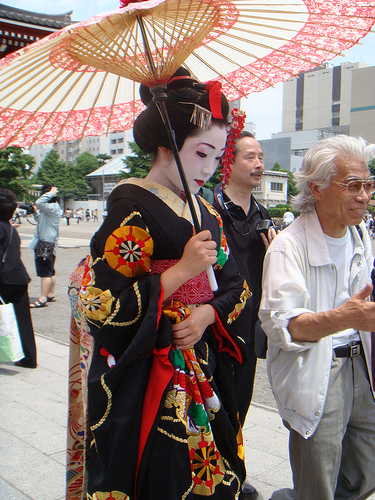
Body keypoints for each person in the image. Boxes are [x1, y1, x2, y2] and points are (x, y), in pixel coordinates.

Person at [66, 68, 251, 500]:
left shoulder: (207, 212)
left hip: (200, 354)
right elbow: (101, 304)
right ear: (166, 146)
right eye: (201, 153)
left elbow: (235, 285)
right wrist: (180, 273)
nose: (208, 168)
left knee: (213, 464)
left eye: (217, 156)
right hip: (151, 368)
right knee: (161, 473)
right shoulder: (130, 204)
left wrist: (207, 313)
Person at [259, 135, 375, 500]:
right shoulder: (288, 247)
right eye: (353, 185)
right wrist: (345, 317)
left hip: (364, 369)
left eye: (368, 185)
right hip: (318, 371)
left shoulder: (361, 237)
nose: (364, 195)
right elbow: (284, 327)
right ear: (318, 188)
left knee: (365, 472)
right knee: (317, 486)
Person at [203, 129, 276, 499]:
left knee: (241, 399)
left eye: (261, 156)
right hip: (214, 325)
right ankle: (212, 475)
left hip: (249, 324)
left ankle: (231, 472)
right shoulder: (208, 209)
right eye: (250, 156)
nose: (259, 163)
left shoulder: (263, 215)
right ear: (227, 161)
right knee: (214, 401)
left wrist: (277, 252)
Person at [0, 189, 37, 368]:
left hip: (3, 279)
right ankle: (29, 357)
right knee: (23, 319)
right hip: (19, 277)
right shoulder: (10, 229)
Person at [29, 184, 60, 308]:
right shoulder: (51, 209)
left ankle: (42, 299)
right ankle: (50, 294)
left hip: (45, 244)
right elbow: (41, 221)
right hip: (50, 244)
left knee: (44, 272)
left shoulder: (51, 207)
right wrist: (35, 213)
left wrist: (51, 193)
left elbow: (39, 202)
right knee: (50, 271)